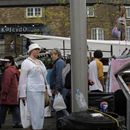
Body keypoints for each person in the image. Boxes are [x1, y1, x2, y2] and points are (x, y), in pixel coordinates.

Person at [18, 43, 51, 130]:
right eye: (36, 49)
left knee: (41, 112)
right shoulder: (26, 62)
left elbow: (45, 77)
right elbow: (22, 79)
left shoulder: (40, 62)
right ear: (31, 51)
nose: (38, 51)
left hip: (41, 90)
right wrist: (22, 94)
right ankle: (35, 127)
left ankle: (39, 127)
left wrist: (48, 89)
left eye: (38, 49)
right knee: (34, 112)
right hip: (32, 90)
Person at [0, 56, 22, 128]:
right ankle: (17, 122)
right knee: (15, 107)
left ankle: (0, 122)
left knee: (2, 108)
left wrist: (3, 93)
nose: (4, 64)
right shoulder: (14, 70)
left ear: (9, 62)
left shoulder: (8, 71)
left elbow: (6, 84)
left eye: (5, 62)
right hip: (14, 93)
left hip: (8, 93)